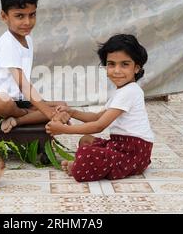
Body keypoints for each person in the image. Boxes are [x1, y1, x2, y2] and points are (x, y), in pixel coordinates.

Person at [45, 34, 154, 182]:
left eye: (124, 64)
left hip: (133, 152)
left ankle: (80, 166)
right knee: (86, 141)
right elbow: (97, 117)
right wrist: (72, 112)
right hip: (121, 145)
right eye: (111, 64)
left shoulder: (130, 91)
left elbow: (99, 125)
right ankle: (87, 163)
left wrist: (64, 130)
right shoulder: (122, 91)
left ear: (136, 68)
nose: (117, 70)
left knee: (86, 153)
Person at [0, 0, 70, 133]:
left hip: (20, 101)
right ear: (4, 16)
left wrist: (50, 110)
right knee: (4, 101)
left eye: (32, 15)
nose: (27, 22)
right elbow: (23, 85)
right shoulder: (7, 43)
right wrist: (50, 114)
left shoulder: (27, 38)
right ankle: (28, 115)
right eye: (19, 16)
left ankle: (17, 120)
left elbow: (23, 91)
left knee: (63, 105)